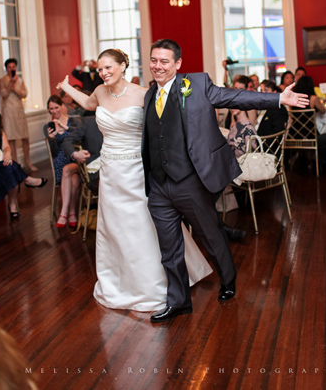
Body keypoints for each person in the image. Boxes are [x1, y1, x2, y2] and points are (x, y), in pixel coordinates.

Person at [140, 39, 307, 322]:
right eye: (154, 60)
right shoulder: (148, 95)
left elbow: (235, 97)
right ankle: (178, 302)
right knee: (169, 248)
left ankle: (228, 279)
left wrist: (278, 99)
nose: (157, 66)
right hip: (158, 185)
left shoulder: (197, 84)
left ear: (178, 64)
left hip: (190, 181)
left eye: (164, 61)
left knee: (210, 235)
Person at [58, 48, 213, 313]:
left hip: (136, 169)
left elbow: (167, 124)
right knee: (114, 226)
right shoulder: (99, 92)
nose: (103, 73)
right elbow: (88, 104)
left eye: (108, 67)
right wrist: (65, 87)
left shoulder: (144, 94)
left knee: (143, 222)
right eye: (100, 69)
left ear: (122, 66)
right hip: (110, 170)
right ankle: (120, 281)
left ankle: (154, 283)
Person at [0, 105, 47, 218]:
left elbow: (6, 147)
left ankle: (13, 204)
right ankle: (27, 181)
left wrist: (7, 154)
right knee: (10, 168)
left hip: (2, 167)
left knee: (9, 167)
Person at [45, 95, 81, 228]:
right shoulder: (48, 126)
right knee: (74, 180)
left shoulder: (73, 122)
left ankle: (64, 213)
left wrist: (65, 128)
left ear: (62, 106)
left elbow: (80, 139)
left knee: (69, 171)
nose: (54, 111)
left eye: (56, 107)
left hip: (75, 157)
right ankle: (71, 212)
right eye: (51, 109)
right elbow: (54, 152)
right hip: (60, 159)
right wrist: (52, 139)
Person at [0, 58, 37, 172]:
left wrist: (15, 89)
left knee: (25, 137)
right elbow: (3, 94)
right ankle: (15, 164)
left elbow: (24, 94)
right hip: (8, 112)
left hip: (19, 111)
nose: (12, 69)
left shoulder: (20, 80)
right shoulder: (2, 80)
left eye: (13, 67)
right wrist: (10, 84)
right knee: (11, 139)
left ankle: (27, 161)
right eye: (9, 67)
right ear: (6, 68)